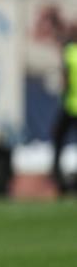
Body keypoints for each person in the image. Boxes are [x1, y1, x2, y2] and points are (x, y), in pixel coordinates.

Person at [51, 26, 77, 195]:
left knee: (58, 138)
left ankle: (57, 178)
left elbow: (65, 79)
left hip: (71, 104)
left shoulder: (69, 52)